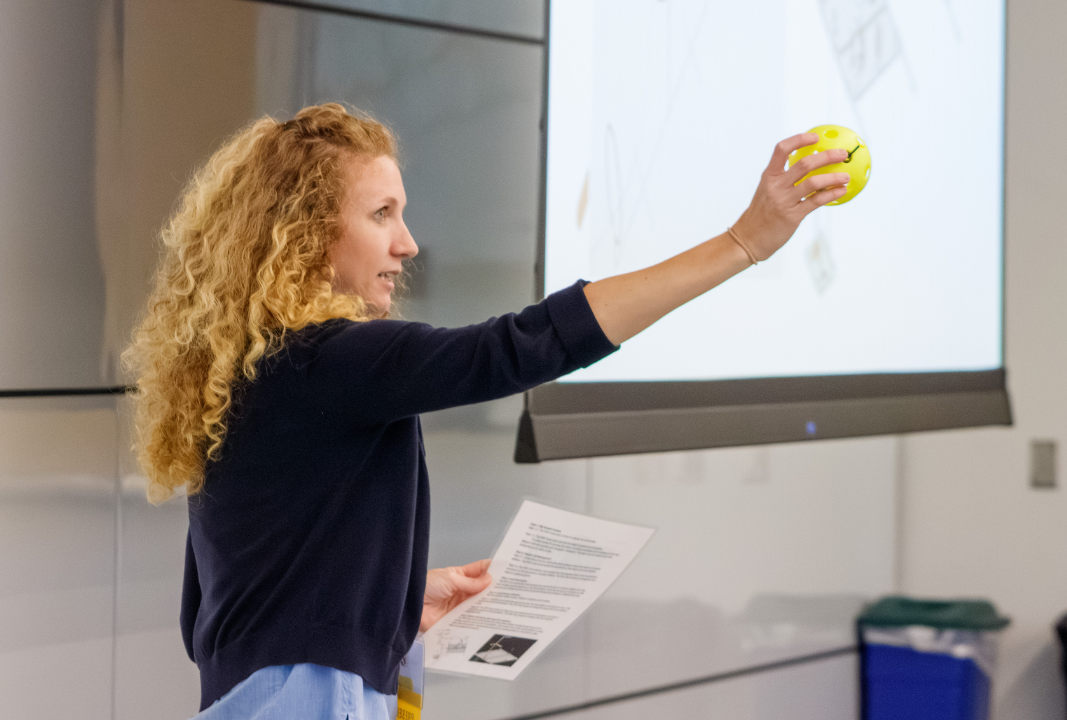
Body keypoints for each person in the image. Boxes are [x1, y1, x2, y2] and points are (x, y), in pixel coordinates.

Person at [124, 103, 849, 720]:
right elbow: (522, 345)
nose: (407, 243)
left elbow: (249, 580)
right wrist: (744, 242)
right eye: (381, 215)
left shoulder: (256, 370)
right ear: (307, 231)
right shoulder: (331, 361)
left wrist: (392, 599)